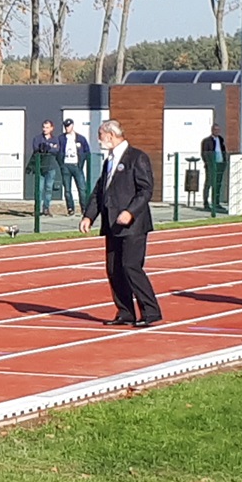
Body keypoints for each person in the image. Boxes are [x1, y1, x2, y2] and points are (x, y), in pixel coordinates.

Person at [80, 119, 161, 328]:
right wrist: (89, 216)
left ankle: (150, 311)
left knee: (131, 266)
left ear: (111, 135)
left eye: (101, 136)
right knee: (114, 269)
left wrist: (130, 212)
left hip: (133, 225)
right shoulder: (109, 161)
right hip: (112, 224)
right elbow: (100, 191)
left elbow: (145, 190)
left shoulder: (137, 157)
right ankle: (125, 312)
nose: (99, 140)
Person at [58, 119, 92, 216]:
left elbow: (87, 151)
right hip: (66, 166)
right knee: (67, 190)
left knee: (82, 188)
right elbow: (58, 151)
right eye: (65, 126)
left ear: (72, 125)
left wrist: (81, 162)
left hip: (77, 166)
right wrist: (61, 164)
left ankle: (84, 208)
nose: (67, 128)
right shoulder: (61, 138)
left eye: (68, 126)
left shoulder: (80, 138)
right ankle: (70, 208)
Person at [30, 120, 60, 216]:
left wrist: (49, 148)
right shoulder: (37, 138)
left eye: (47, 127)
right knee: (39, 189)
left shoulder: (55, 139)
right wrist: (46, 148)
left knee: (48, 188)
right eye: (44, 127)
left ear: (51, 128)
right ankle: (37, 209)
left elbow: (56, 150)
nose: (45, 129)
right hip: (40, 167)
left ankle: (46, 208)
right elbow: (36, 149)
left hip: (50, 167)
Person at [200, 125, 229, 215]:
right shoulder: (206, 141)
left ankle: (216, 203)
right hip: (211, 166)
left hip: (220, 165)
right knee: (209, 183)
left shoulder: (220, 139)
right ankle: (206, 202)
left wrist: (224, 162)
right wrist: (208, 163)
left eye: (218, 130)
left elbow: (223, 151)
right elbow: (204, 153)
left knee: (218, 184)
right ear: (212, 130)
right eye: (215, 130)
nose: (217, 131)